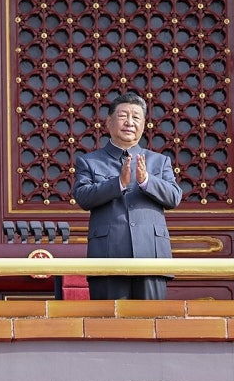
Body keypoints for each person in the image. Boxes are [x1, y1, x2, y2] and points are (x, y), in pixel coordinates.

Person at [72, 92, 183, 299]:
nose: (129, 122)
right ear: (108, 122)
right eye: (123, 116)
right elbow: (83, 197)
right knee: (109, 325)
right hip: (107, 254)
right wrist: (118, 184)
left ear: (143, 124)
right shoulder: (89, 161)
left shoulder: (159, 161)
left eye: (136, 117)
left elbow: (174, 197)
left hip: (151, 255)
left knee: (152, 324)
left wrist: (146, 181)